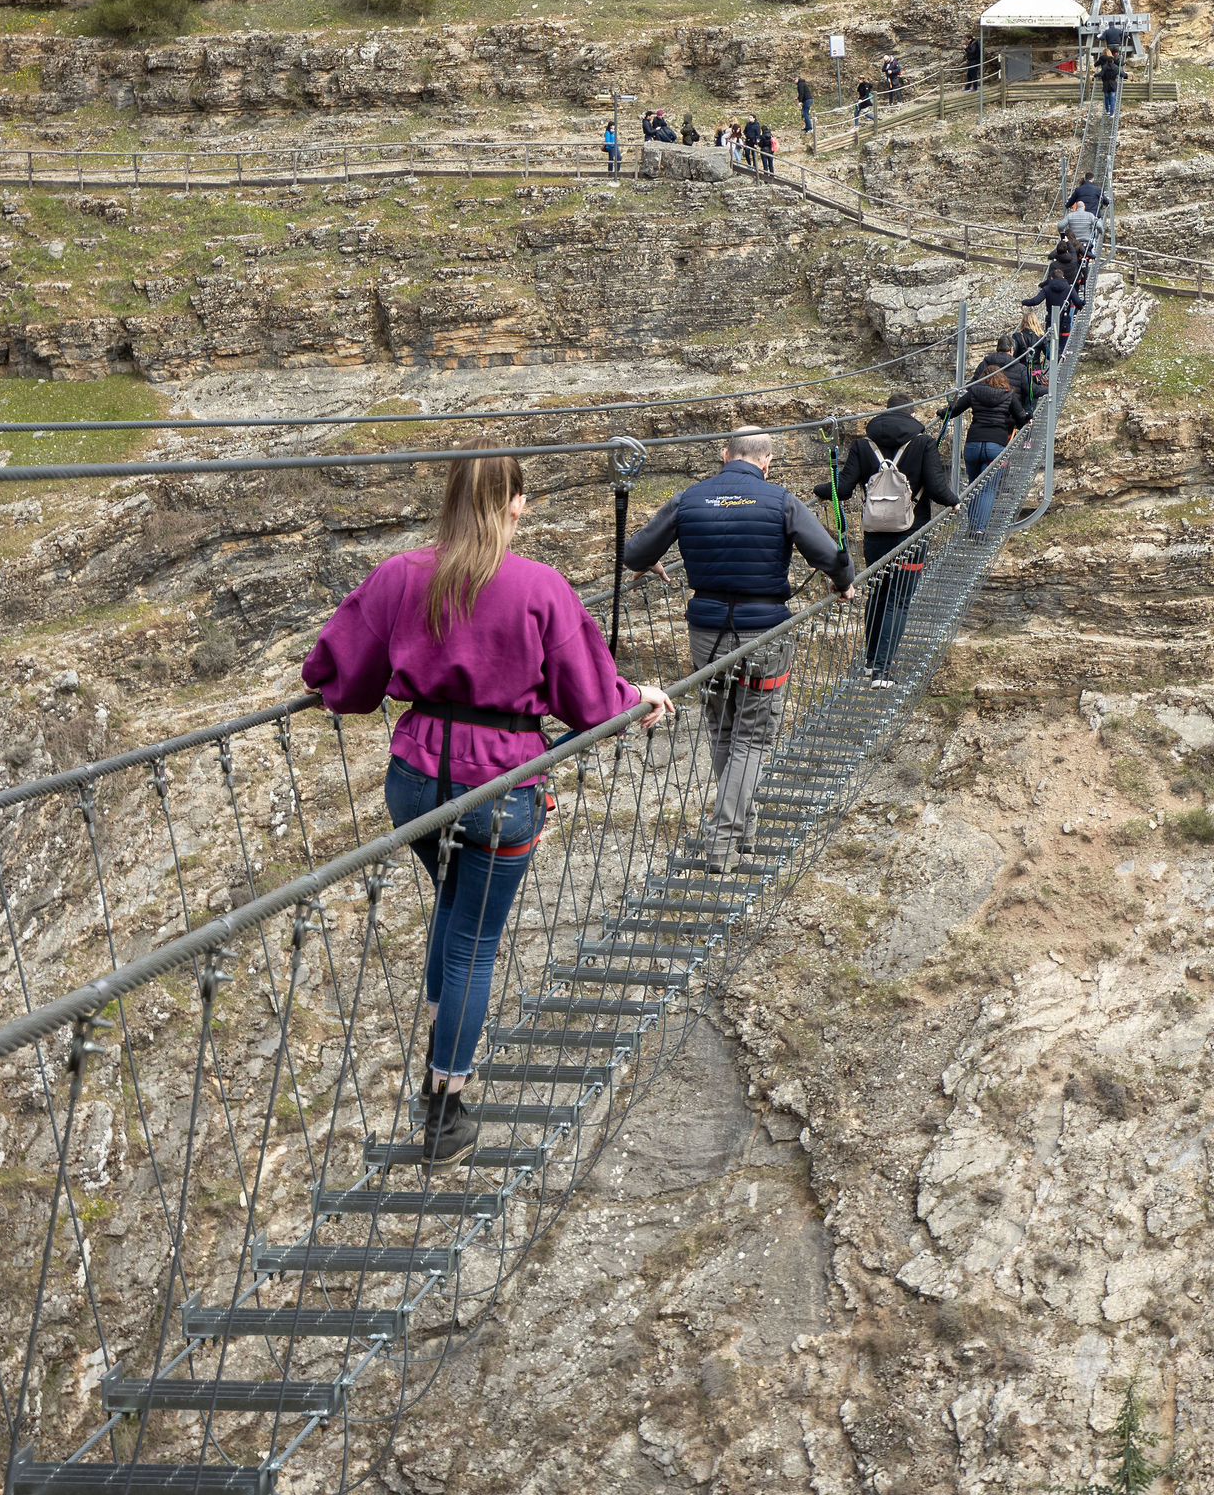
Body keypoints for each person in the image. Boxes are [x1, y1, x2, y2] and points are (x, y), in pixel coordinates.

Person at [303, 457, 673, 1164]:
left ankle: (442, 1051)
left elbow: (342, 679)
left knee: (452, 903)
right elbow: (592, 701)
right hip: (501, 788)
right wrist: (638, 700)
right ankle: (444, 1111)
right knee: (474, 939)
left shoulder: (399, 576)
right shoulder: (540, 588)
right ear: (518, 506)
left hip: (413, 782)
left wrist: (341, 681)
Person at [623, 429, 854, 873]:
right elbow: (832, 556)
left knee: (723, 729)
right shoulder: (780, 500)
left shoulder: (688, 499)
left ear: (724, 455)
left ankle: (742, 829)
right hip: (763, 635)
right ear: (766, 462)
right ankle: (723, 842)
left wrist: (648, 561)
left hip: (705, 634)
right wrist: (839, 583)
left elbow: (634, 552)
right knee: (753, 736)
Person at [813, 389, 959, 688]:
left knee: (878, 595)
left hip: (875, 535)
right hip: (911, 538)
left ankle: (870, 663)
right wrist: (955, 501)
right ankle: (882, 671)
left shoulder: (862, 445)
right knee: (899, 600)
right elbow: (935, 487)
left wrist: (818, 490)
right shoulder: (923, 442)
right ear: (912, 415)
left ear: (884, 413)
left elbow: (842, 490)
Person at [947, 339, 1027, 536]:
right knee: (988, 489)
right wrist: (1028, 419)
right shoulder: (1008, 394)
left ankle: (971, 526)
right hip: (996, 446)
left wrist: (943, 412)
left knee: (973, 486)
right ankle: (980, 530)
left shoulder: (974, 391)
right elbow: (1021, 419)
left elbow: (955, 410)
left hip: (973, 445)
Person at [1097, 45, 1122, 117]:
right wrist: (1125, 75)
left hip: (1105, 82)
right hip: (1113, 82)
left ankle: (1107, 110)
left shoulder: (1103, 65)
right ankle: (1112, 113)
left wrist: (1096, 75)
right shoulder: (1115, 67)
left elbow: (1100, 72)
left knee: (1106, 97)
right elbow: (1120, 72)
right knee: (1113, 97)